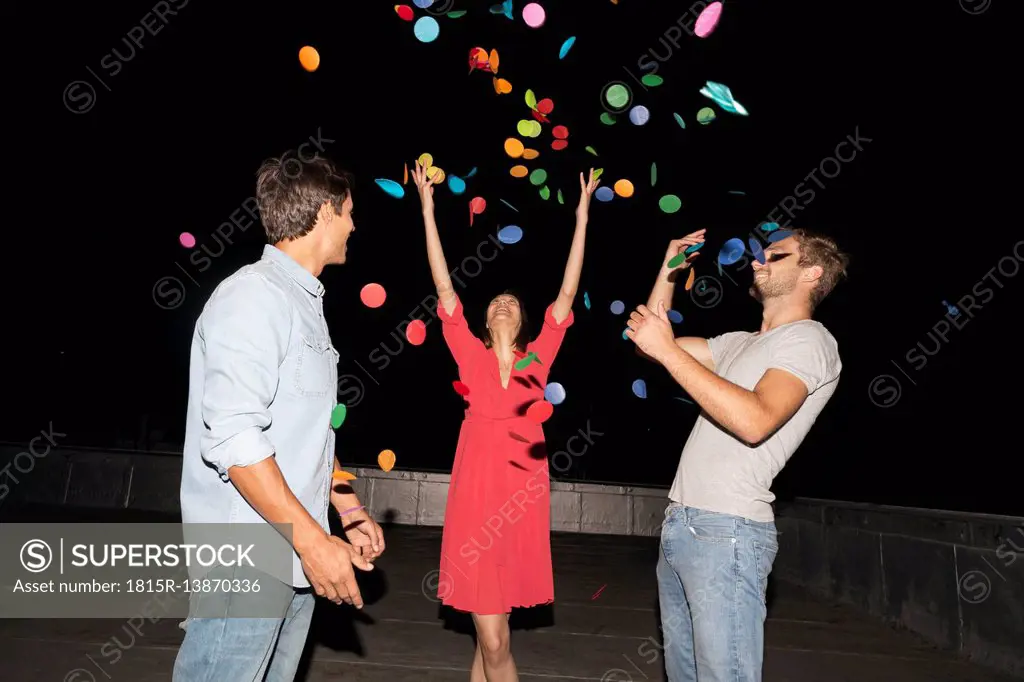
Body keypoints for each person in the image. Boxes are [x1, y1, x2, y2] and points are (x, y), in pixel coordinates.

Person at [174, 154, 386, 681]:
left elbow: (306, 433)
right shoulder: (254, 296)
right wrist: (316, 545)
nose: (355, 226)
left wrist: (347, 507)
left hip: (294, 555)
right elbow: (237, 440)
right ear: (324, 213)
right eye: (350, 213)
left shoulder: (303, 303)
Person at [626, 229, 847, 682]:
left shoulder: (809, 341)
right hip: (682, 525)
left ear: (812, 272)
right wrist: (670, 269)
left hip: (727, 533)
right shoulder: (737, 343)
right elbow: (648, 346)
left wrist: (666, 349)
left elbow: (756, 419)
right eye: (760, 255)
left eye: (776, 256)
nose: (757, 262)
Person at [411, 160, 599, 681]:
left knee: (489, 638)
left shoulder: (538, 359)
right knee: (491, 637)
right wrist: (428, 209)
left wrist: (582, 217)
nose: (501, 303)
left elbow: (566, 292)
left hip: (519, 501)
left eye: (511, 302)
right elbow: (443, 283)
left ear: (522, 320)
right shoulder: (467, 354)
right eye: (495, 300)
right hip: (475, 499)